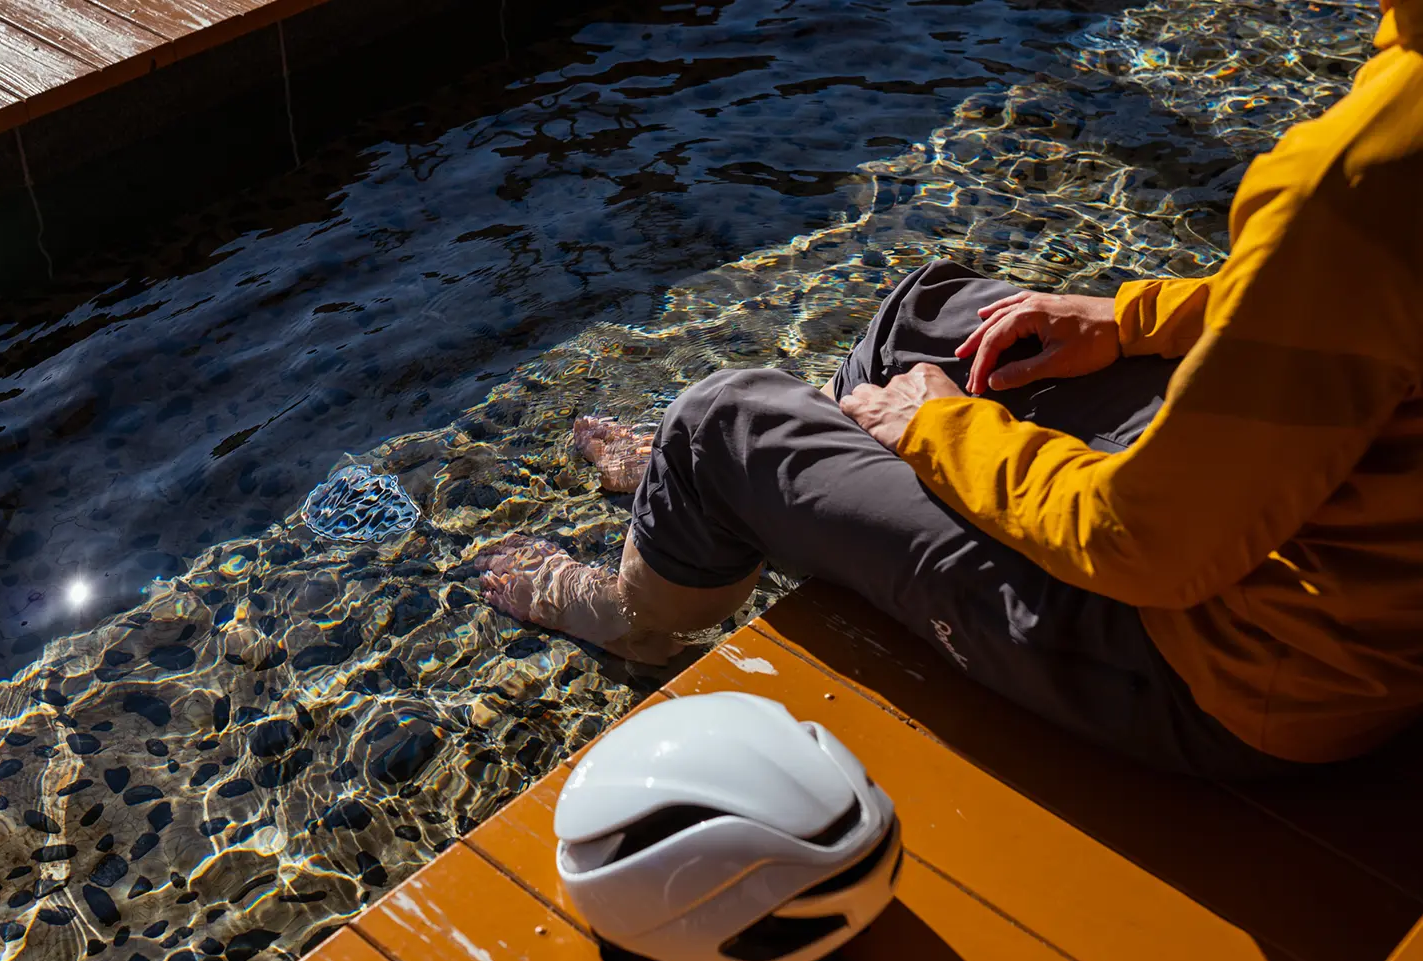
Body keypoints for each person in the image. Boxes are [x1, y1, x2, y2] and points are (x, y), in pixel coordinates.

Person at [477, 0, 1423, 779]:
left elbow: (1145, 547)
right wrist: (1131, 318)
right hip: (1319, 555)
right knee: (936, 316)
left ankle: (645, 611)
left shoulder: (1357, 180)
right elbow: (1350, 306)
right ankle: (763, 495)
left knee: (719, 424)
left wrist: (944, 428)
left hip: (1237, 672)